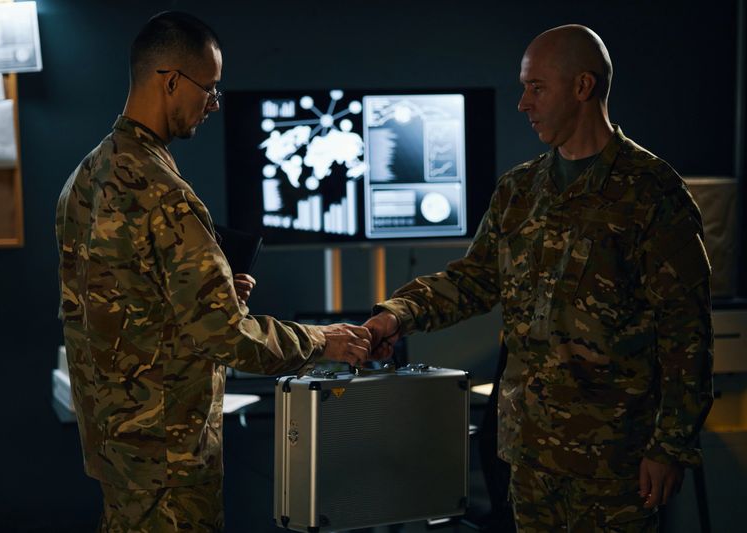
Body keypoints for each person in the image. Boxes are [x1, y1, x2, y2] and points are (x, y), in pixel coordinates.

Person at [365, 24, 713, 532]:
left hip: (615, 459)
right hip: (529, 453)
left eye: (536, 87)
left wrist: (671, 445)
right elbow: (474, 280)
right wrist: (394, 317)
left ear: (582, 87)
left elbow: (687, 333)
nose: (523, 104)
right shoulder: (520, 189)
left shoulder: (652, 192)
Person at [55, 11, 370, 533]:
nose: (213, 104)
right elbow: (228, 337)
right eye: (210, 88)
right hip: (170, 461)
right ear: (173, 81)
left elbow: (116, 305)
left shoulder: (85, 177)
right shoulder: (166, 194)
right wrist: (323, 341)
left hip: (118, 449)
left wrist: (214, 290)